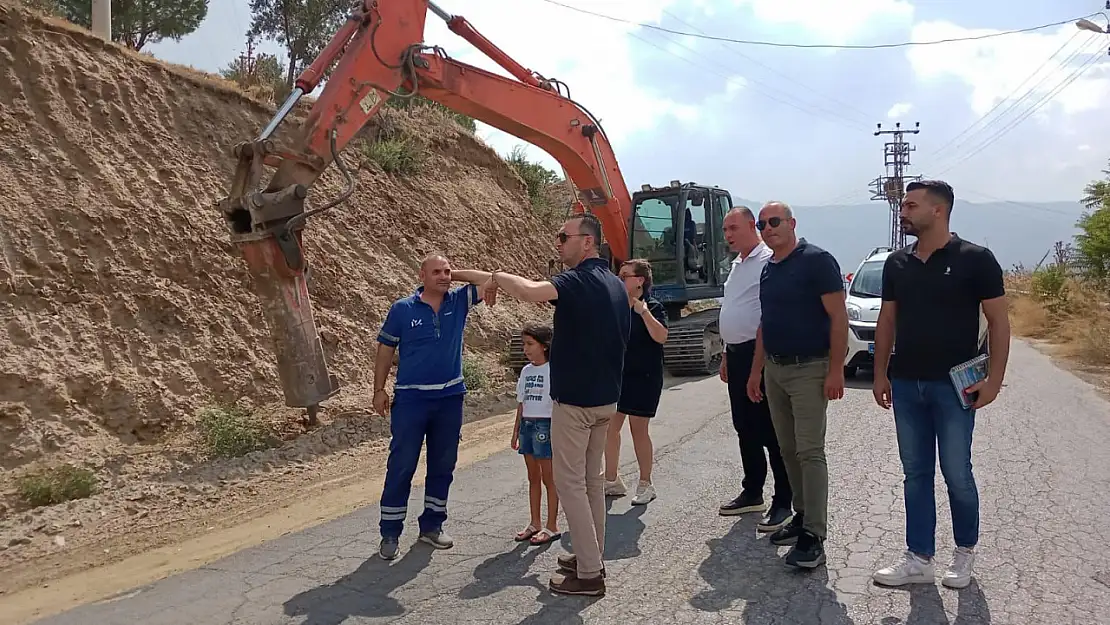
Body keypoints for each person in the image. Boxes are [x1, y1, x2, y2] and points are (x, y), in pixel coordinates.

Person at [479, 212, 630, 597]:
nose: (558, 242)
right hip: (605, 399)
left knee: (570, 484)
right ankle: (588, 555)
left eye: (564, 236)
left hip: (576, 402)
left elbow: (530, 291)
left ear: (588, 241)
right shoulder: (614, 283)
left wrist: (495, 277)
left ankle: (590, 573)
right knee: (592, 482)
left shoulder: (578, 280)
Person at [871, 180, 1010, 590]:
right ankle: (918, 557)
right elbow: (887, 321)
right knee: (915, 473)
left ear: (938, 211)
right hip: (907, 383)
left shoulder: (976, 260)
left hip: (954, 387)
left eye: (910, 205)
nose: (903, 211)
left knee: (956, 472)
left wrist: (995, 380)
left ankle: (964, 552)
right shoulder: (897, 263)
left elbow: (1000, 323)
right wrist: (880, 372)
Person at [746, 201, 848, 569]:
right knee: (787, 450)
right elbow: (765, 324)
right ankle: (802, 516)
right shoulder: (769, 268)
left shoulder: (817, 261)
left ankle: (814, 535)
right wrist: (756, 371)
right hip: (775, 369)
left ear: (792, 223)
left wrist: (837, 369)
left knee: (809, 451)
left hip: (810, 368)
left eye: (774, 222)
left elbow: (839, 317)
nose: (768, 228)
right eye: (762, 224)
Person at [372, 254, 492, 561]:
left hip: (450, 399)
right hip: (411, 400)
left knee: (443, 465)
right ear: (421, 275)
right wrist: (378, 389)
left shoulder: (459, 301)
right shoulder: (402, 309)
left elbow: (491, 279)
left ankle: (432, 526)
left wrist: (456, 275)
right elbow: (386, 349)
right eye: (436, 271)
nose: (443, 276)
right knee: (401, 466)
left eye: (447, 271)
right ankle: (390, 532)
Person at [717, 207, 793, 533]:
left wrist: (755, 368)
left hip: (757, 356)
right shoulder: (737, 265)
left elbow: (765, 318)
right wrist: (725, 353)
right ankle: (752, 491)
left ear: (753, 226)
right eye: (724, 230)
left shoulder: (766, 261)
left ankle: (783, 500)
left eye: (733, 228)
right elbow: (734, 310)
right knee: (743, 425)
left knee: (770, 429)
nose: (728, 235)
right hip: (735, 355)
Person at [604, 258, 668, 506]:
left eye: (624, 276)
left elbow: (662, 336)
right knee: (610, 427)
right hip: (619, 377)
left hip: (645, 378)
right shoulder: (616, 307)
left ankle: (645, 483)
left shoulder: (654, 306)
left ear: (639, 281)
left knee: (638, 430)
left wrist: (644, 313)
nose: (619, 280)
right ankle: (611, 480)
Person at [511, 322, 562, 546]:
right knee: (533, 477)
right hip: (528, 426)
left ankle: (552, 525)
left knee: (550, 478)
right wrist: (516, 431)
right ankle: (535, 523)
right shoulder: (526, 371)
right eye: (524, 344)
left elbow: (559, 404)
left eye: (530, 344)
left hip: (546, 426)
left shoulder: (555, 370)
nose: (526, 349)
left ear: (544, 346)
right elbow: (521, 403)